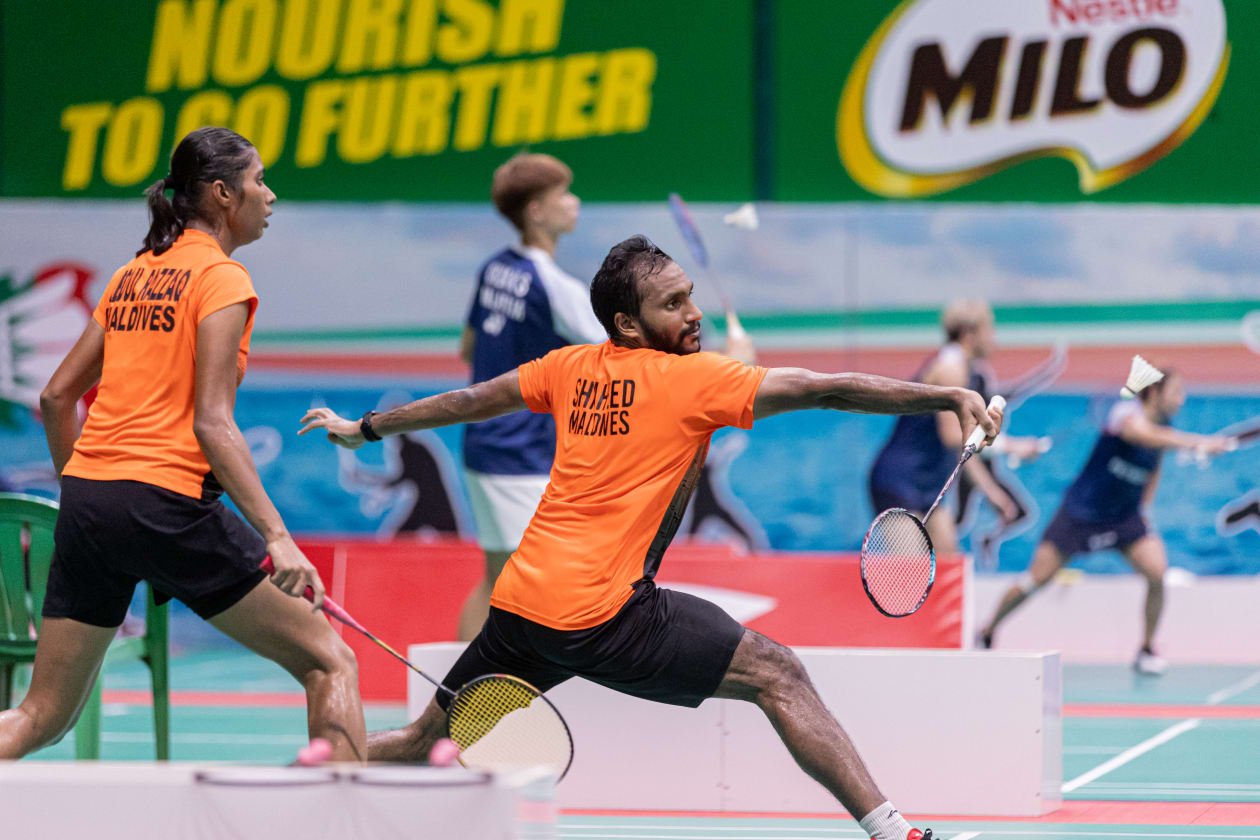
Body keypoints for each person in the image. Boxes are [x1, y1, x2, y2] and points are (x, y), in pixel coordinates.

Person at [301, 235, 1002, 840]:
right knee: (777, 674)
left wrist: (366, 428)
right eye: (673, 304)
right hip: (604, 615)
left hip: (521, 609)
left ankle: (292, 790)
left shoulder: (568, 367)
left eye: (690, 295)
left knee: (424, 739)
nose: (693, 312)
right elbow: (827, 389)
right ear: (628, 324)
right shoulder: (695, 380)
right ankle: (896, 834)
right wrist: (945, 396)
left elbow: (471, 400)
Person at [0, 127, 365, 761]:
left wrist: (86, 495)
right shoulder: (222, 279)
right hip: (166, 502)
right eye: (258, 180)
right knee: (329, 661)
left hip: (90, 502)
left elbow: (57, 398)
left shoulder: (131, 276)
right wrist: (278, 538)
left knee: (40, 716)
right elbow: (212, 423)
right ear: (223, 193)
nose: (270, 195)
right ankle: (342, 809)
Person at [977, 366, 1235, 675]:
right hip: (1082, 513)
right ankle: (987, 631)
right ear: (1154, 392)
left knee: (1156, 572)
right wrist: (1198, 442)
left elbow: (1153, 467)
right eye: (1176, 392)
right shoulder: (1125, 414)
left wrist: (1144, 510)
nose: (1181, 399)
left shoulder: (1164, 428)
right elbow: (1141, 434)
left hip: (1124, 516)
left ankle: (1146, 649)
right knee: (1035, 580)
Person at [455, 152, 607, 641]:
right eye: (564, 194)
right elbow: (624, 356)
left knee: (497, 576)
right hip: (520, 450)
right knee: (533, 583)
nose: (575, 202)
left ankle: (456, 680)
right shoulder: (556, 287)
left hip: (483, 442)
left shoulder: (494, 268)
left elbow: (468, 348)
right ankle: (478, 678)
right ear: (537, 211)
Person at [868, 299, 1023, 553]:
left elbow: (965, 444)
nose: (994, 338)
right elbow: (956, 439)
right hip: (900, 480)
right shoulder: (950, 370)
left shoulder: (965, 370)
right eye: (989, 330)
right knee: (912, 569)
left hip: (929, 483)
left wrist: (995, 485)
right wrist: (1007, 457)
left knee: (948, 564)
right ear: (969, 334)